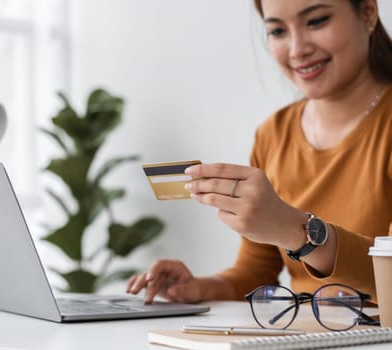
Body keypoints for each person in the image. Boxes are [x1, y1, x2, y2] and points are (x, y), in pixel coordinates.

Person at [126, 0, 392, 305]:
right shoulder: (274, 134)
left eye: (316, 21)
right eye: (278, 30)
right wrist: (198, 288)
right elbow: (256, 272)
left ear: (368, 13)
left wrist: (298, 232)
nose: (296, 49)